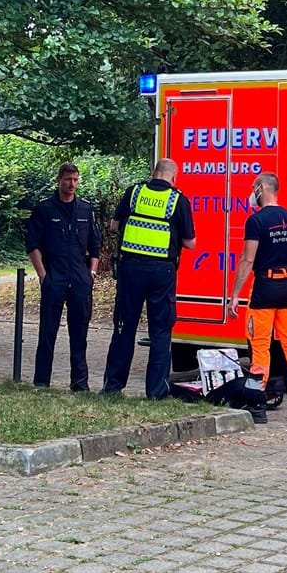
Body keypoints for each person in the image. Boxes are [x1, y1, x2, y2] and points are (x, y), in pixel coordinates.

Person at [226, 172, 287, 424]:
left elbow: (247, 260)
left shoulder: (256, 221)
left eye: (254, 186)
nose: (252, 191)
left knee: (260, 345)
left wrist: (235, 295)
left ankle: (257, 406)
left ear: (263, 187)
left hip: (265, 288)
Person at [102, 157, 197, 399]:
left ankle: (113, 387)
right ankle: (155, 392)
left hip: (130, 270)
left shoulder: (134, 192)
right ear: (173, 177)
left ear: (154, 173)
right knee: (160, 332)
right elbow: (190, 243)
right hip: (161, 273)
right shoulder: (178, 200)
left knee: (124, 328)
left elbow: (113, 226)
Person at [26, 163, 102, 391]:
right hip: (55, 277)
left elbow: (95, 245)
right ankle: (41, 382)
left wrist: (92, 273)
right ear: (58, 180)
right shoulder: (44, 209)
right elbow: (32, 244)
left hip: (79, 278)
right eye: (68, 179)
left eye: (76, 180)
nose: (72, 185)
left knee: (79, 332)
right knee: (48, 331)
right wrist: (42, 275)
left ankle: (80, 383)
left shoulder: (85, 210)